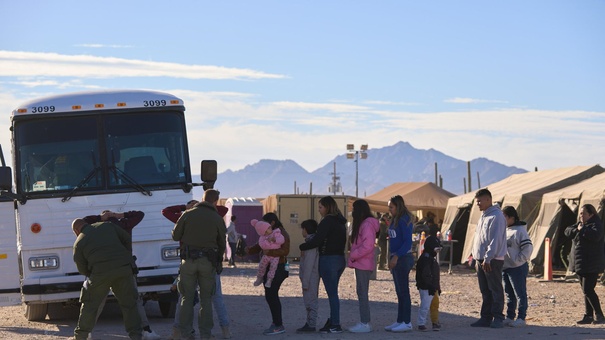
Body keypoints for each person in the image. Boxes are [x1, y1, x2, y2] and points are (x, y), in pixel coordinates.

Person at [82, 210, 160, 340]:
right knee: (133, 301)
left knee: (96, 301)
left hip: (102, 270)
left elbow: (83, 221)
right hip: (125, 269)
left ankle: (85, 332)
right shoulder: (125, 225)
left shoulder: (96, 229)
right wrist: (120, 215)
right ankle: (146, 331)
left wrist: (99, 217)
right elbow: (140, 214)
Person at [162, 200, 232, 339]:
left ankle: (183, 333)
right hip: (208, 262)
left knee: (185, 298)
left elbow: (175, 234)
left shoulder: (186, 216)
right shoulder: (213, 216)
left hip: (188, 262)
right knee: (208, 299)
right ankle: (209, 334)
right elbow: (222, 242)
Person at [71, 218, 142, 340]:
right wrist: (126, 256)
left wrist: (94, 274)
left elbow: (82, 268)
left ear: (76, 230)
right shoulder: (107, 226)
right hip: (123, 269)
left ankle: (80, 336)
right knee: (129, 304)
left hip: (99, 274)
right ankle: (136, 335)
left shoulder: (79, 242)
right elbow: (126, 237)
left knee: (90, 305)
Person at [299, 196, 347, 334]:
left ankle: (335, 324)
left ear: (327, 207)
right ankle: (333, 320)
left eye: (320, 207)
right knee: (333, 292)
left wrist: (303, 246)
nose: (319, 210)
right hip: (339, 259)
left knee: (332, 294)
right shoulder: (340, 221)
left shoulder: (327, 221)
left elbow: (318, 240)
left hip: (328, 260)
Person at [246, 213, 291, 336]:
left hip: (278, 267)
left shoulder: (281, 233)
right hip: (270, 267)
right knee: (270, 295)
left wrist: (270, 251)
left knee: (271, 295)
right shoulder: (267, 233)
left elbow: (285, 250)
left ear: (271, 223)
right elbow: (259, 246)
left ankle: (278, 325)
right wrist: (247, 250)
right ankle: (276, 323)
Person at [470, 188, 507, 328]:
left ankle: (498, 318)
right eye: (476, 201)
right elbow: (479, 238)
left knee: (495, 289)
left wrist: (488, 258)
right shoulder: (484, 216)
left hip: (492, 260)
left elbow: (495, 239)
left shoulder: (496, 216)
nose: (478, 204)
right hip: (481, 259)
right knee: (485, 290)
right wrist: (475, 256)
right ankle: (485, 317)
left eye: (479, 201)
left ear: (488, 199)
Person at [564, 203, 605, 325]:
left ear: (591, 214)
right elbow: (567, 231)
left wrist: (584, 230)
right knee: (585, 290)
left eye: (583, 213)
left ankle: (599, 315)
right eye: (580, 214)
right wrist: (578, 229)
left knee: (588, 289)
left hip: (591, 263)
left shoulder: (596, 225)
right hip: (580, 263)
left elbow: (596, 236)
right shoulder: (580, 225)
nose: (581, 216)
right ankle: (588, 315)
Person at [347, 199, 380, 333]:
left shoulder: (366, 225)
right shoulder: (365, 224)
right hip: (361, 262)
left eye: (354, 209)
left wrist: (354, 254)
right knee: (361, 292)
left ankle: (365, 322)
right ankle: (364, 321)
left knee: (362, 293)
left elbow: (367, 245)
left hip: (363, 263)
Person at [384, 195, 415, 333]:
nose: (389, 209)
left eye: (391, 207)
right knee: (399, 292)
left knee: (404, 291)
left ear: (398, 206)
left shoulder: (404, 220)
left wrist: (396, 257)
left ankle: (407, 322)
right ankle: (400, 320)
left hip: (402, 258)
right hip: (395, 257)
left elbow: (407, 242)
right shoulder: (395, 220)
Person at [501, 206, 533, 328]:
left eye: (504, 216)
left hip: (517, 267)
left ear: (511, 217)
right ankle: (510, 316)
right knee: (509, 293)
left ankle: (521, 317)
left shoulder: (520, 231)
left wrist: (518, 260)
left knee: (520, 293)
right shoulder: (504, 230)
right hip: (505, 267)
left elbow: (528, 248)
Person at [296, 219, 320, 333]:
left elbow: (309, 265)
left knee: (310, 301)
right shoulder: (311, 242)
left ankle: (311, 324)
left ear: (305, 229)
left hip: (310, 278)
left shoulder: (310, 245)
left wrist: (305, 282)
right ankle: (309, 323)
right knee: (310, 300)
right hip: (310, 277)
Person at [415, 235, 442, 332]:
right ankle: (421, 323)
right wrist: (430, 286)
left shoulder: (430, 258)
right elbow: (425, 275)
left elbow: (434, 275)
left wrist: (437, 287)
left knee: (435, 304)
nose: (436, 252)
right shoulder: (426, 259)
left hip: (432, 287)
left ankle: (435, 322)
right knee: (425, 306)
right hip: (426, 287)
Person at [251, 218, 285, 288]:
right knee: (262, 265)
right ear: (264, 231)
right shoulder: (262, 238)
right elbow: (262, 245)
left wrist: (275, 240)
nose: (271, 229)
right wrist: (268, 242)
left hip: (275, 255)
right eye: (268, 228)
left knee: (273, 267)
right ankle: (259, 277)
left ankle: (270, 279)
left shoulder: (276, 233)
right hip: (266, 255)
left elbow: (282, 240)